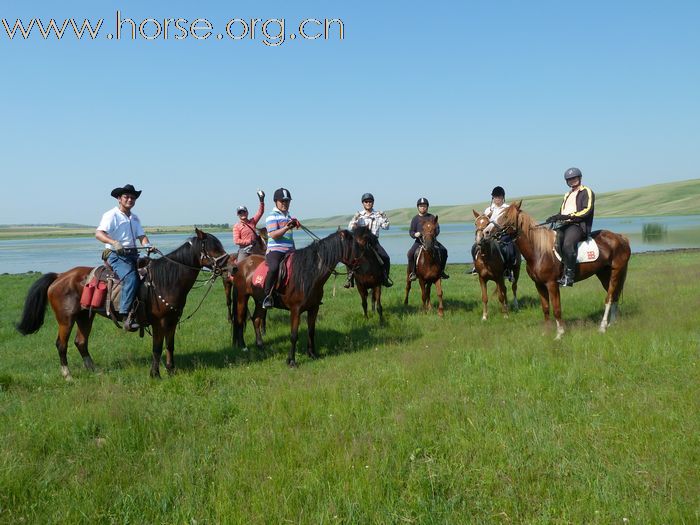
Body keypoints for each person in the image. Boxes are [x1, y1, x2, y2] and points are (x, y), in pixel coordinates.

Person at [95, 184, 154, 331]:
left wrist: (148, 245)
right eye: (126, 197)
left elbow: (142, 236)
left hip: (134, 255)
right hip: (116, 255)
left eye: (133, 197)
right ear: (119, 199)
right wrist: (114, 242)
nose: (130, 199)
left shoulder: (135, 218)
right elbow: (99, 234)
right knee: (131, 278)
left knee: (154, 273)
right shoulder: (111, 215)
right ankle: (125, 314)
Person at [545, 167, 595, 287]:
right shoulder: (567, 194)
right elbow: (563, 211)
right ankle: (557, 270)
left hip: (578, 225)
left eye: (574, 178)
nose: (572, 180)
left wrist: (569, 216)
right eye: (569, 179)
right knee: (551, 241)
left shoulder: (586, 191)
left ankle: (569, 275)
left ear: (579, 178)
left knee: (568, 244)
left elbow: (587, 210)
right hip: (564, 225)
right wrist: (556, 216)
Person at [262, 188, 300, 308]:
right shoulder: (271, 216)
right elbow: (273, 235)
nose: (285, 203)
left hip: (290, 251)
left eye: (287, 201)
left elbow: (289, 237)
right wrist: (287, 227)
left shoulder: (289, 216)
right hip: (276, 250)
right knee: (273, 268)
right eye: (282, 201)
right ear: (276, 202)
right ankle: (267, 296)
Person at [346, 192, 393, 288]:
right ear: (363, 203)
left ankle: (385, 278)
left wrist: (384, 216)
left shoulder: (377, 215)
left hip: (374, 242)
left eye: (370, 201)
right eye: (366, 202)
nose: (368, 203)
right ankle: (349, 279)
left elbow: (386, 227)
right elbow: (350, 228)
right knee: (350, 258)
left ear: (373, 203)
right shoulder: (359, 215)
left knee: (386, 257)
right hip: (360, 243)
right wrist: (355, 218)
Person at [470, 186, 516, 280]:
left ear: (503, 197)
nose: (497, 199)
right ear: (492, 198)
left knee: (510, 249)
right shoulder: (488, 210)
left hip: (503, 234)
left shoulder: (507, 208)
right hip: (489, 236)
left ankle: (508, 270)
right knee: (474, 247)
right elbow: (483, 223)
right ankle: (476, 266)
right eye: (495, 197)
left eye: (499, 197)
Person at [407, 197, 449, 281]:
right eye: (421, 206)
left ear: (427, 207)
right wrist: (415, 234)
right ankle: (414, 272)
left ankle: (442, 271)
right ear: (418, 207)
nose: (423, 207)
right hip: (419, 242)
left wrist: (432, 235)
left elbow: (437, 229)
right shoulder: (415, 219)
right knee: (410, 253)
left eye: (424, 206)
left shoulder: (432, 217)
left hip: (432, 242)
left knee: (444, 251)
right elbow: (411, 231)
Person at [233, 190, 265, 260]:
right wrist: (248, 241)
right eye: (240, 213)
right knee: (240, 266)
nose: (242, 214)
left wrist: (261, 201)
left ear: (247, 212)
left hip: (256, 248)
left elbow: (260, 212)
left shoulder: (252, 221)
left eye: (244, 212)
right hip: (244, 250)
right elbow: (236, 240)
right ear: (238, 215)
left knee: (264, 263)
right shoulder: (236, 226)